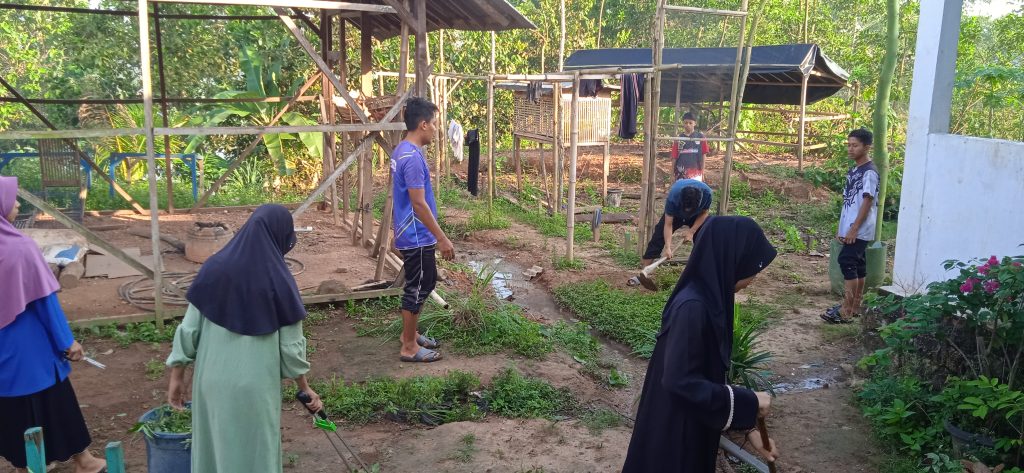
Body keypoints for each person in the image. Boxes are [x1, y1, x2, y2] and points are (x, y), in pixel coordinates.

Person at [166, 204, 322, 473]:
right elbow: (291, 350)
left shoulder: (213, 268)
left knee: (214, 450)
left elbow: (189, 330)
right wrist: (305, 388)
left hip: (210, 383)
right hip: (254, 387)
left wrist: (176, 377)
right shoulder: (280, 282)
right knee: (256, 453)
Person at [622, 216, 780, 473]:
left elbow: (703, 373)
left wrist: (749, 427)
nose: (753, 278)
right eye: (753, 268)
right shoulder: (693, 308)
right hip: (673, 441)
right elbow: (680, 381)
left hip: (686, 427)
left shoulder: (709, 298)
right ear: (733, 259)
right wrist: (749, 401)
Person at [0, 176, 106, 473]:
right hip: (30, 348)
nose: (17, 203)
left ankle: (27, 466)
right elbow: (45, 302)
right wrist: (66, 341)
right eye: (11, 198)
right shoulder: (20, 248)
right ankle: (84, 461)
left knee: (13, 409)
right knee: (55, 401)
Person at [390, 97, 455, 363]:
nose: (436, 129)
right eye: (435, 124)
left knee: (425, 282)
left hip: (412, 232)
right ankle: (408, 347)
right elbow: (418, 203)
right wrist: (442, 238)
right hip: (416, 234)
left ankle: (411, 334)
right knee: (417, 287)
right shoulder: (413, 159)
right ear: (423, 124)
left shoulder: (402, 150)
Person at [821, 128, 879, 324]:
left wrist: (854, 228)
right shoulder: (855, 170)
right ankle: (854, 307)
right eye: (849, 145)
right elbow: (849, 203)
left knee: (847, 261)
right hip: (852, 226)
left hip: (860, 227)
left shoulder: (869, 172)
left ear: (867, 147)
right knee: (858, 265)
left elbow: (868, 201)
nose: (850, 149)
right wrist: (843, 228)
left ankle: (846, 309)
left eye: (855, 145)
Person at [628, 179, 713, 287]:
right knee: (658, 237)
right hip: (676, 214)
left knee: (704, 238)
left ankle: (704, 274)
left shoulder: (707, 194)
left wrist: (692, 231)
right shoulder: (674, 196)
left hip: (697, 217)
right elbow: (668, 224)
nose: (687, 212)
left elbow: (704, 213)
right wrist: (668, 247)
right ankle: (643, 274)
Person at [670, 112, 711, 182]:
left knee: (694, 188)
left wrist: (703, 172)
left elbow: (704, 156)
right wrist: (671, 174)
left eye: (690, 123)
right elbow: (674, 157)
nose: (688, 125)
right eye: (686, 123)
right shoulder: (678, 138)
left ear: (695, 123)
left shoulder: (701, 137)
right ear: (683, 123)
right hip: (680, 172)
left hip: (696, 172)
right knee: (682, 188)